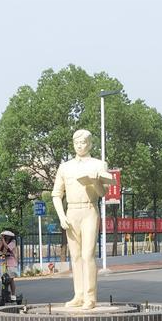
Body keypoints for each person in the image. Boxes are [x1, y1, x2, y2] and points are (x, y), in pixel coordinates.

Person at [51, 129, 114, 309]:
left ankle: (90, 297)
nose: (80, 146)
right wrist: (61, 215)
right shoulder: (65, 167)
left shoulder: (98, 164)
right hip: (71, 212)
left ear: (90, 144)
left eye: (83, 142)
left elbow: (102, 193)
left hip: (89, 210)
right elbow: (56, 194)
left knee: (87, 255)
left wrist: (94, 182)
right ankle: (78, 295)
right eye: (77, 143)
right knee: (76, 256)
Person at [0, 230, 19, 304]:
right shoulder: (1, 242)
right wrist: (1, 242)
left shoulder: (13, 242)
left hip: (11, 262)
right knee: (4, 279)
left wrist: (3, 240)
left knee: (11, 279)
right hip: (3, 263)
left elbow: (8, 248)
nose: (7, 237)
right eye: (5, 236)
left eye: (8, 236)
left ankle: (13, 295)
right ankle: (5, 294)